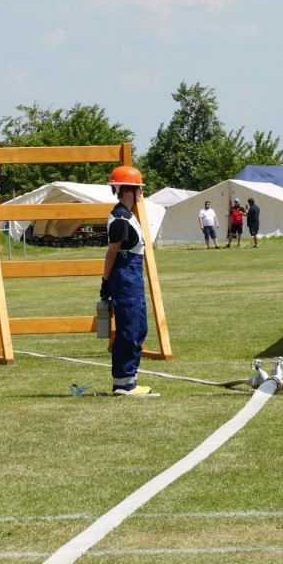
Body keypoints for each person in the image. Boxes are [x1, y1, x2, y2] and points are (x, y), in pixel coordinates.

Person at [101, 165, 156, 396]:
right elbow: (112, 252)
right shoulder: (121, 219)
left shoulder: (128, 216)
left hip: (132, 278)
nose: (140, 194)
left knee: (139, 327)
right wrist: (105, 281)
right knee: (128, 330)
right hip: (125, 278)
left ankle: (130, 378)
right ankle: (123, 384)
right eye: (138, 190)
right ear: (127, 191)